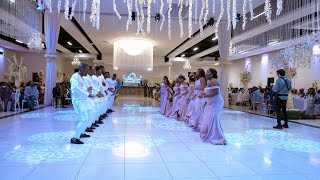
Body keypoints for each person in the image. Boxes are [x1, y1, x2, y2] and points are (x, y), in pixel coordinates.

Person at [199, 68, 227, 145]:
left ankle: (218, 137)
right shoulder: (209, 81)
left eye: (207, 72)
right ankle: (210, 134)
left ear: (211, 74)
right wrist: (203, 95)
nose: (205, 73)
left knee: (213, 119)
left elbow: (216, 93)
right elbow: (208, 92)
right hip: (210, 103)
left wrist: (204, 96)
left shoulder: (214, 81)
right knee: (208, 118)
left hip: (216, 103)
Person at [70, 63, 93, 144]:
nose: (87, 72)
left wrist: (87, 89)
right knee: (83, 118)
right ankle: (75, 138)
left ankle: (81, 132)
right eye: (86, 70)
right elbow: (75, 88)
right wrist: (87, 93)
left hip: (84, 100)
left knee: (89, 115)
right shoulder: (75, 76)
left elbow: (82, 87)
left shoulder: (82, 77)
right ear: (82, 69)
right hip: (78, 101)